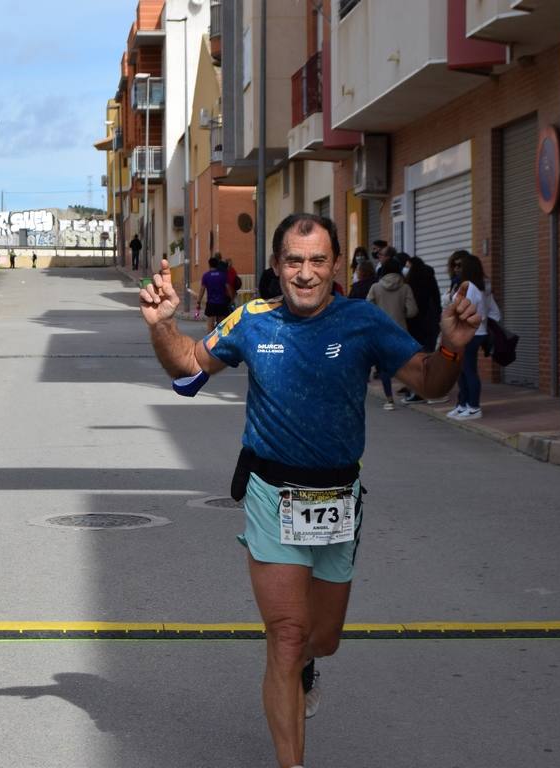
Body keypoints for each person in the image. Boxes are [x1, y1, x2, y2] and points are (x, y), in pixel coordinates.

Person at [138, 212, 480, 768]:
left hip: (337, 501)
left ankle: (308, 666)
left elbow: (430, 382)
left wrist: (450, 348)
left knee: (322, 638)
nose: (305, 273)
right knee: (288, 635)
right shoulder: (252, 320)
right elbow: (188, 374)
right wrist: (162, 326)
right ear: (276, 266)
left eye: (317, 260)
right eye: (294, 261)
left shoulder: (363, 321)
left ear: (335, 265)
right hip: (272, 494)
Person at [366, 260, 418, 410]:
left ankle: (389, 400)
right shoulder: (405, 287)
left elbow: (367, 307)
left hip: (381, 332)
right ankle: (410, 392)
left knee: (384, 368)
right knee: (406, 365)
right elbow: (413, 311)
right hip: (401, 331)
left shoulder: (375, 287)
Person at [447, 252, 493, 421]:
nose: (456, 269)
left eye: (460, 266)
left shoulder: (472, 289)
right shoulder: (468, 286)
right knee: (461, 371)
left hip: (471, 334)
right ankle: (463, 404)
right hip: (467, 333)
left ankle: (473, 407)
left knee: (468, 370)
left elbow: (462, 309)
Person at [402, 256, 444, 404]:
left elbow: (411, 309)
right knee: (430, 357)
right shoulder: (430, 280)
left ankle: (419, 391)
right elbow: (437, 301)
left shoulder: (411, 284)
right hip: (431, 326)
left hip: (416, 327)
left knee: (418, 360)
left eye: (408, 266)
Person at [195, 255, 232, 332]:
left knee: (210, 327)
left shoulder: (206, 276)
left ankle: (210, 342)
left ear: (209, 265)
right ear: (217, 264)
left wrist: (198, 302)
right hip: (222, 303)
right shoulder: (223, 275)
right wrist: (231, 299)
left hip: (211, 304)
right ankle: (219, 342)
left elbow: (202, 290)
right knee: (221, 327)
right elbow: (228, 288)